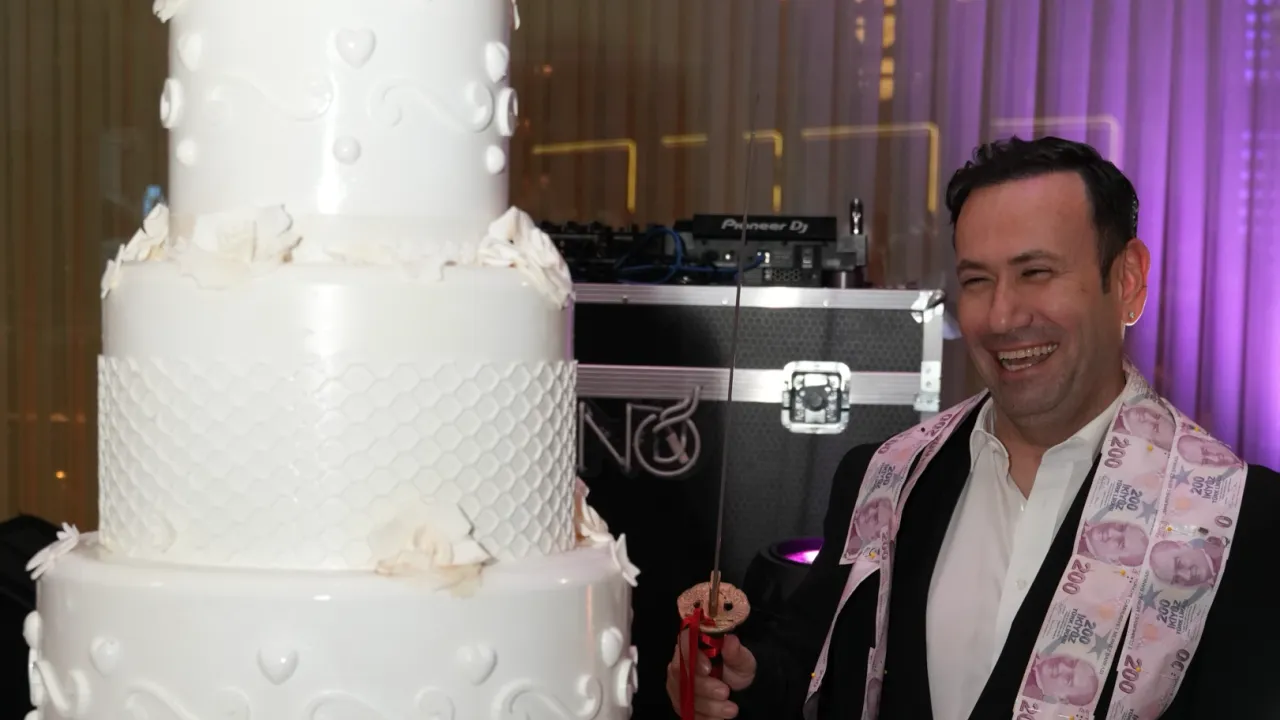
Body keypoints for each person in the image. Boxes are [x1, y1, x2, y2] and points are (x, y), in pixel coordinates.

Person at [665, 137, 1280, 720]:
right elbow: (811, 674)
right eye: (977, 280)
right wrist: (737, 684)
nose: (1002, 316)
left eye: (1036, 272)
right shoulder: (886, 479)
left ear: (1127, 281)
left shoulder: (1234, 520)